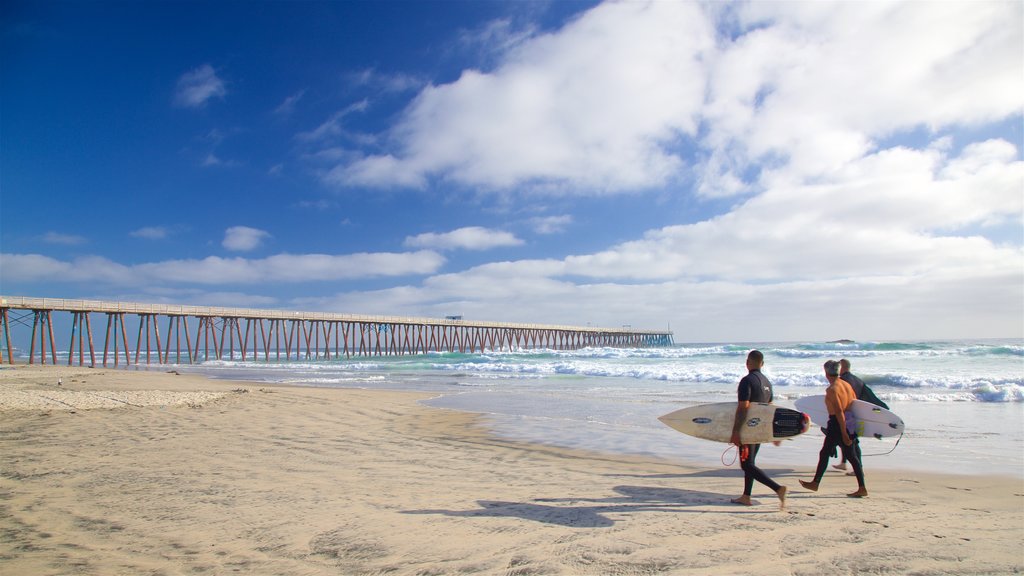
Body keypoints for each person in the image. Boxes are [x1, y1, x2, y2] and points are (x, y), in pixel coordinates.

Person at [800, 360, 868, 497]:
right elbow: (854, 404)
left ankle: (861, 488)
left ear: (826, 373)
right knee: (829, 453)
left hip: (837, 424)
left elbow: (839, 412)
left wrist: (844, 433)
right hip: (849, 422)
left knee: (847, 455)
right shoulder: (846, 385)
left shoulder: (832, 390)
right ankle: (816, 483)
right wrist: (852, 427)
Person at [730, 350, 787, 510]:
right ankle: (746, 496)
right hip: (759, 429)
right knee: (750, 463)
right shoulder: (767, 383)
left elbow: (743, 408)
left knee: (746, 465)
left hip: (747, 430)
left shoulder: (746, 381)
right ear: (762, 364)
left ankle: (778, 488)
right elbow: (770, 409)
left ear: (747, 363)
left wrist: (735, 432)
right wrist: (773, 432)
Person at [832, 358, 887, 473]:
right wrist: (881, 410)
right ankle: (843, 463)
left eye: (838, 367)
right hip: (856, 415)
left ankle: (859, 469)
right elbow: (869, 397)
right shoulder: (858, 380)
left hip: (848, 416)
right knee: (846, 440)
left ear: (842, 368)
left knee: (852, 442)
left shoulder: (842, 381)